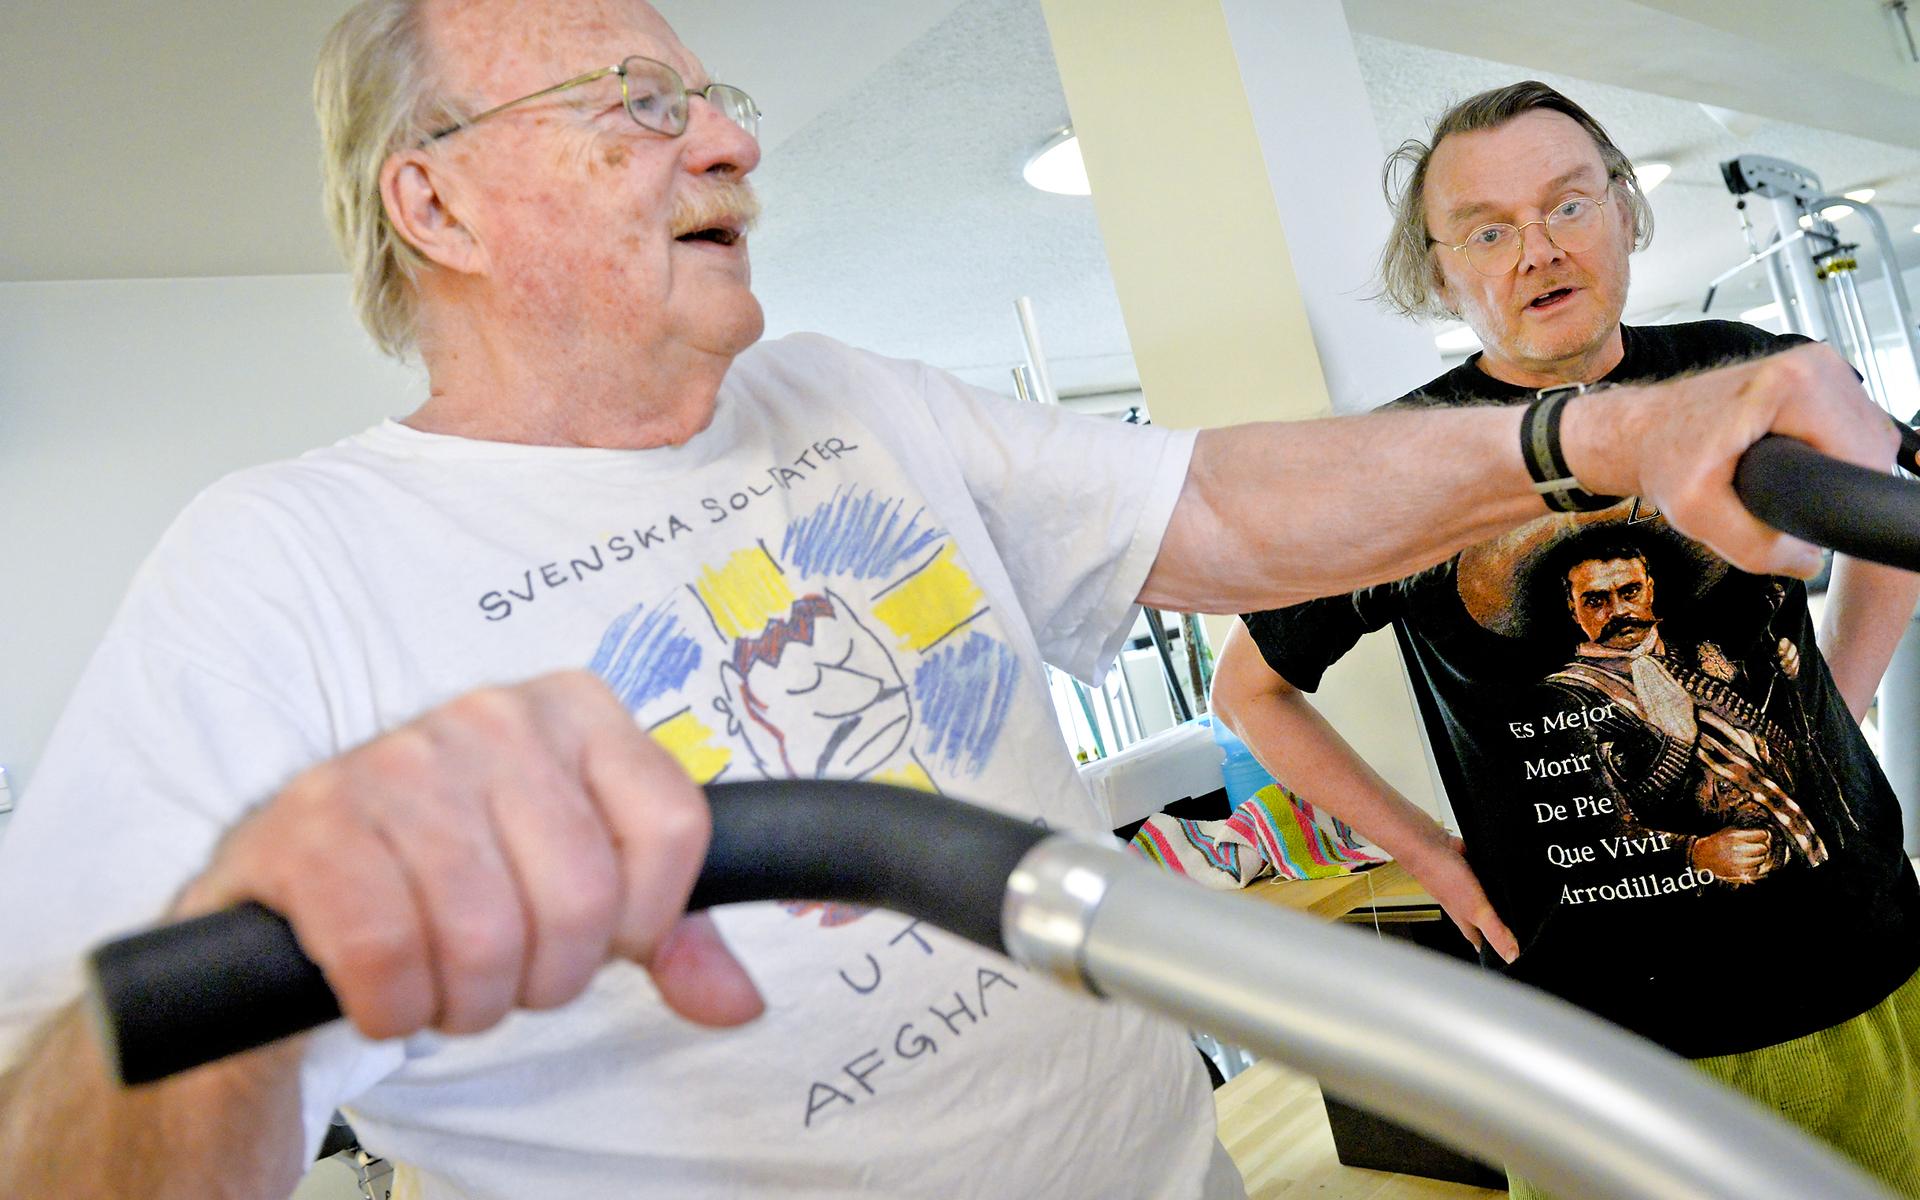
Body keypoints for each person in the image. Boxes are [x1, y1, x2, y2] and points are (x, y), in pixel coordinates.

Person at [0, 10, 1894, 1195]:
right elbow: (53, 1117)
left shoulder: (848, 394)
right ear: (440, 206)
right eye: (635, 100)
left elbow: (1223, 501)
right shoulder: (281, 570)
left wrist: (1605, 436)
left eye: (717, 96)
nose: (730, 137)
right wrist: (247, 981)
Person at [1212, 81, 1920, 1197]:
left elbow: (1890, 506)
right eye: (1487, 231)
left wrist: (1845, 681)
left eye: (1569, 207)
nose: (1536, 251)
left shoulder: (1745, 369)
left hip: (1852, 953)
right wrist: (1429, 856)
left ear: (1625, 215)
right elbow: (1250, 690)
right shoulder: (1403, 464)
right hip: (1599, 1036)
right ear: (1441, 270)